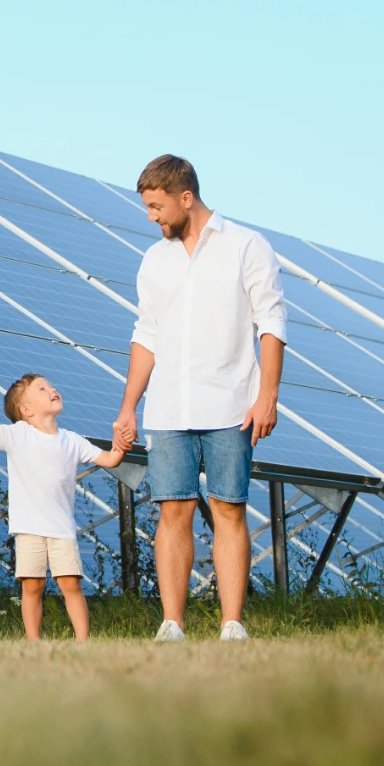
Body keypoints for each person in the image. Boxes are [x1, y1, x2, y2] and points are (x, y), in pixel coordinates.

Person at [110, 154, 287, 643]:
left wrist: (267, 396)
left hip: (231, 402)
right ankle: (173, 624)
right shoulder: (155, 260)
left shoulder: (246, 246)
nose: (151, 216)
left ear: (185, 197)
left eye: (156, 206)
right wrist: (129, 406)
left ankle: (232, 624)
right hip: (168, 407)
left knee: (229, 509)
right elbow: (146, 334)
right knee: (173, 511)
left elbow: (271, 323)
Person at [0, 372, 125, 640]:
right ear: (26, 410)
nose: (52, 390)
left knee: (71, 584)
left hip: (62, 528)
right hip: (29, 528)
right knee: (32, 585)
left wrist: (121, 444)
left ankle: (83, 641)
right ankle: (33, 642)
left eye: (51, 386)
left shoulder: (73, 440)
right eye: (42, 389)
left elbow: (111, 459)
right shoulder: (19, 434)